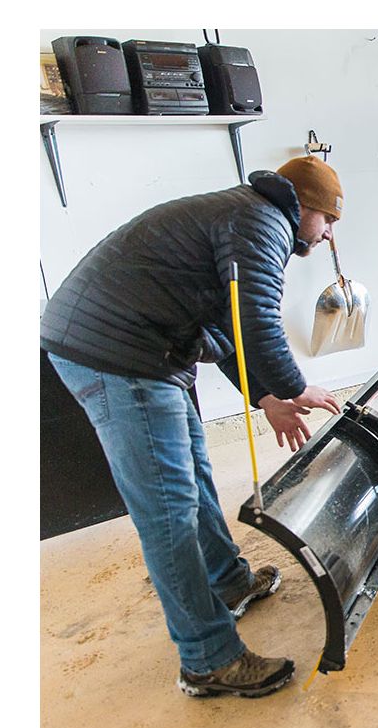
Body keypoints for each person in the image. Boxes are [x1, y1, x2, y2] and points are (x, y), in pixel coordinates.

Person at [41, 155, 347, 699]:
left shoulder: (246, 216)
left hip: (144, 350)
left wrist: (266, 397)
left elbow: (228, 329)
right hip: (119, 354)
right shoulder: (262, 222)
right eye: (328, 219)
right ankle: (207, 658)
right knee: (168, 509)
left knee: (195, 469)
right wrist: (296, 387)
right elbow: (258, 322)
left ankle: (228, 582)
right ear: (304, 206)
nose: (328, 234)